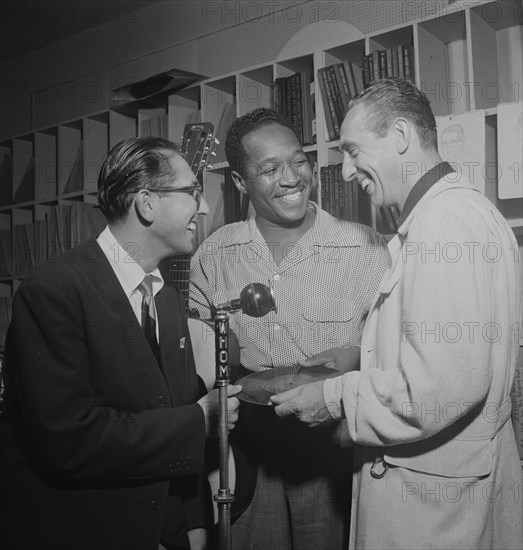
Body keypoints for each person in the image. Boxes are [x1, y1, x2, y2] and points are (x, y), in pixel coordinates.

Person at [271, 78, 523, 550]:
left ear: (402, 137)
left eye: (352, 150)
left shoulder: (442, 224)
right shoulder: (466, 211)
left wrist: (334, 396)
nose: (344, 172)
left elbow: (436, 390)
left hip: (433, 513)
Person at [0, 137, 241, 550]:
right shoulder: (53, 291)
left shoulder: (163, 293)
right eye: (192, 193)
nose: (202, 208)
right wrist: (197, 421)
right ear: (147, 204)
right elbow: (69, 441)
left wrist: (194, 523)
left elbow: (174, 407)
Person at [190, 108, 390, 550]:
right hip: (247, 455)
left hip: (334, 453)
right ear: (241, 183)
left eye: (299, 162)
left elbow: (403, 354)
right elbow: (197, 354)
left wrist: (358, 356)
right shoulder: (214, 254)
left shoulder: (368, 249)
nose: (291, 178)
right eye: (270, 168)